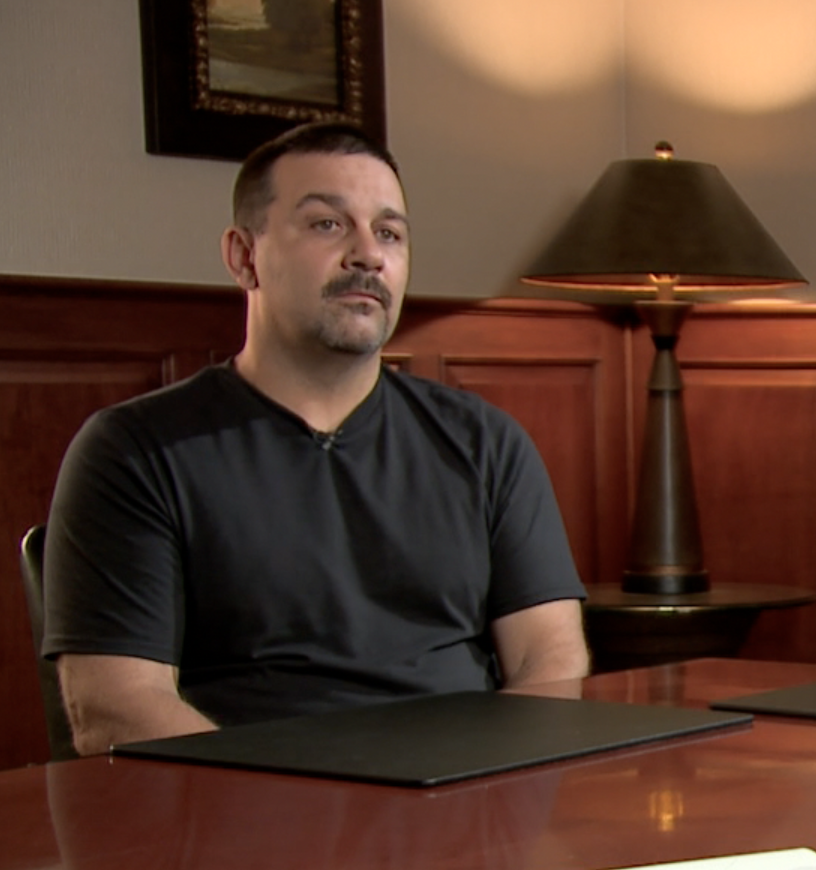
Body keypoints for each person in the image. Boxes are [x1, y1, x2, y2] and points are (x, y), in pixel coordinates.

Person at [42, 122, 589, 756]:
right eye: (328, 224)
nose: (368, 254)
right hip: (245, 798)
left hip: (466, 791)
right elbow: (117, 706)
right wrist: (277, 805)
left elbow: (549, 657)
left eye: (389, 233)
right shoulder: (134, 451)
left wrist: (501, 786)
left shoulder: (486, 443)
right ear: (244, 256)